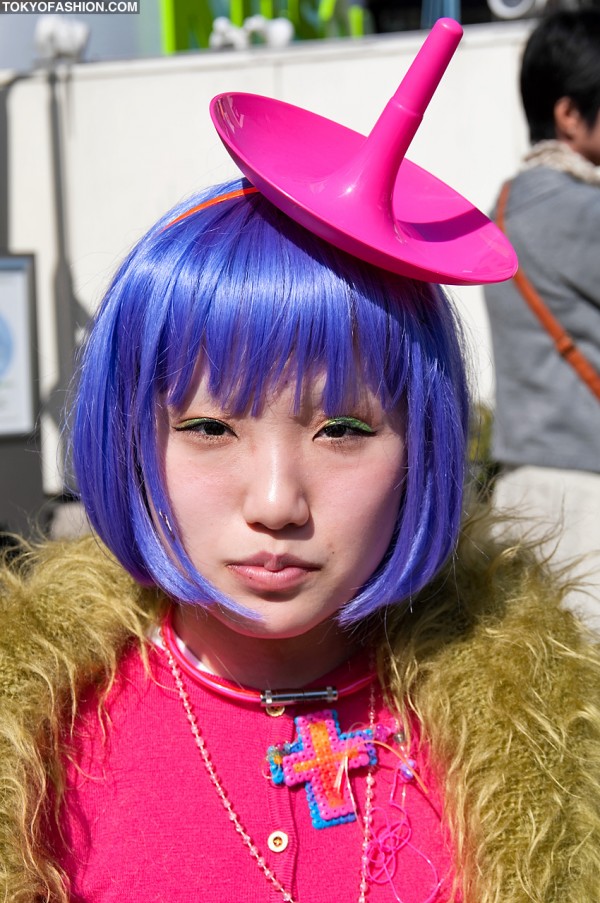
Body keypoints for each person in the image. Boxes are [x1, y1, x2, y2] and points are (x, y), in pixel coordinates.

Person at [1, 19, 599, 903]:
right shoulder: (41, 737)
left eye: (345, 429)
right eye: (208, 427)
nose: (277, 502)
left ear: (425, 441)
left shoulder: (547, 740)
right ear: (129, 433)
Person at [483, 10, 600, 630]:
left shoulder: (500, 209)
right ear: (570, 114)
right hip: (589, 492)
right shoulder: (584, 212)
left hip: (522, 490)